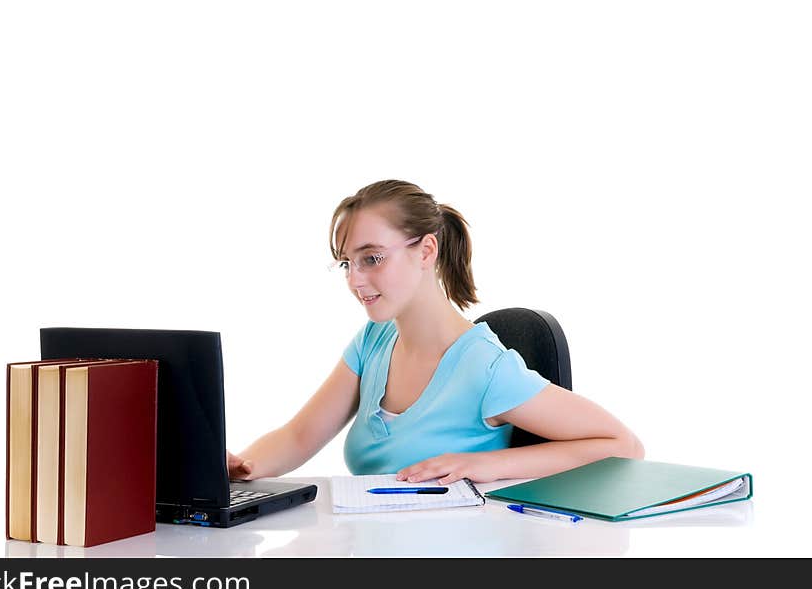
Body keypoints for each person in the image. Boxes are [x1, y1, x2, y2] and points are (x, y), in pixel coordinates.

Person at [227, 179, 644, 485]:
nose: (355, 280)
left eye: (371, 258)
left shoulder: (484, 368)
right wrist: (241, 467)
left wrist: (481, 465)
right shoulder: (373, 343)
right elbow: (299, 436)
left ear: (426, 251)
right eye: (346, 264)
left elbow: (623, 445)